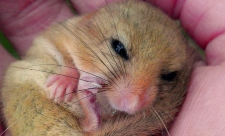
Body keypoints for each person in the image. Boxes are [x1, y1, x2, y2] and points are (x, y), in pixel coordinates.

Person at [0, 0, 225, 135]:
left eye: (166, 75)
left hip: (85, 119)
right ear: (91, 24)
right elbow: (49, 45)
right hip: (46, 110)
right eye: (120, 49)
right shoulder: (74, 35)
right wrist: (68, 70)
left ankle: (91, 122)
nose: (134, 101)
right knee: (18, 76)